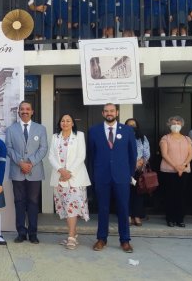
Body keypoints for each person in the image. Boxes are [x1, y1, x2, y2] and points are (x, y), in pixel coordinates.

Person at [88, 103, 136, 253]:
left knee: (123, 208)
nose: (109, 113)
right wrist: (93, 175)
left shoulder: (127, 130)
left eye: (112, 111)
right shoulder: (94, 131)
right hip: (102, 176)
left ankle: (125, 240)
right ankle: (101, 239)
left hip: (122, 176)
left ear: (117, 112)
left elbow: (132, 155)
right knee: (102, 208)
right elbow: (91, 155)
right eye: (106, 111)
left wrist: (129, 174)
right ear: (103, 113)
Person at [5, 101, 48, 244]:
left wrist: (30, 162)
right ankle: (21, 233)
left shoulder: (40, 129)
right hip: (17, 170)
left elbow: (43, 148)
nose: (25, 111)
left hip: (34, 171)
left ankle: (33, 233)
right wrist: (21, 163)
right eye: (22, 109)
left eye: (27, 109)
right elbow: (9, 148)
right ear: (18, 112)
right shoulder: (11, 129)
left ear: (32, 111)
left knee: (33, 202)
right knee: (19, 202)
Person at [48, 114, 90, 250]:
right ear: (60, 123)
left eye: (68, 121)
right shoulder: (55, 137)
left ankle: (71, 237)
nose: (65, 123)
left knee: (73, 207)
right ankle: (74, 233)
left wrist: (68, 172)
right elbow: (51, 156)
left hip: (75, 177)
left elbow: (81, 156)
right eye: (63, 121)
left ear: (73, 123)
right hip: (59, 178)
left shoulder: (79, 135)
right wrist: (61, 170)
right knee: (66, 207)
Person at [160, 116, 192, 227]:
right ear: (169, 125)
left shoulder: (187, 139)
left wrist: (183, 166)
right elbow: (164, 154)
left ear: (182, 125)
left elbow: (190, 154)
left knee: (181, 195)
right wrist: (176, 166)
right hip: (168, 171)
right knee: (170, 195)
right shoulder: (165, 138)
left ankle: (180, 219)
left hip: (184, 171)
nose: (176, 125)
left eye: (178, 123)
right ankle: (170, 218)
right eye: (173, 123)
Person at [125, 118, 150, 226]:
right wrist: (131, 163)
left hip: (139, 170)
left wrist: (141, 162)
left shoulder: (142, 138)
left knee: (138, 194)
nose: (131, 127)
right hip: (125, 170)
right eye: (129, 125)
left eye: (133, 125)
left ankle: (137, 216)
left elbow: (147, 153)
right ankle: (128, 216)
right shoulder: (121, 137)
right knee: (126, 194)